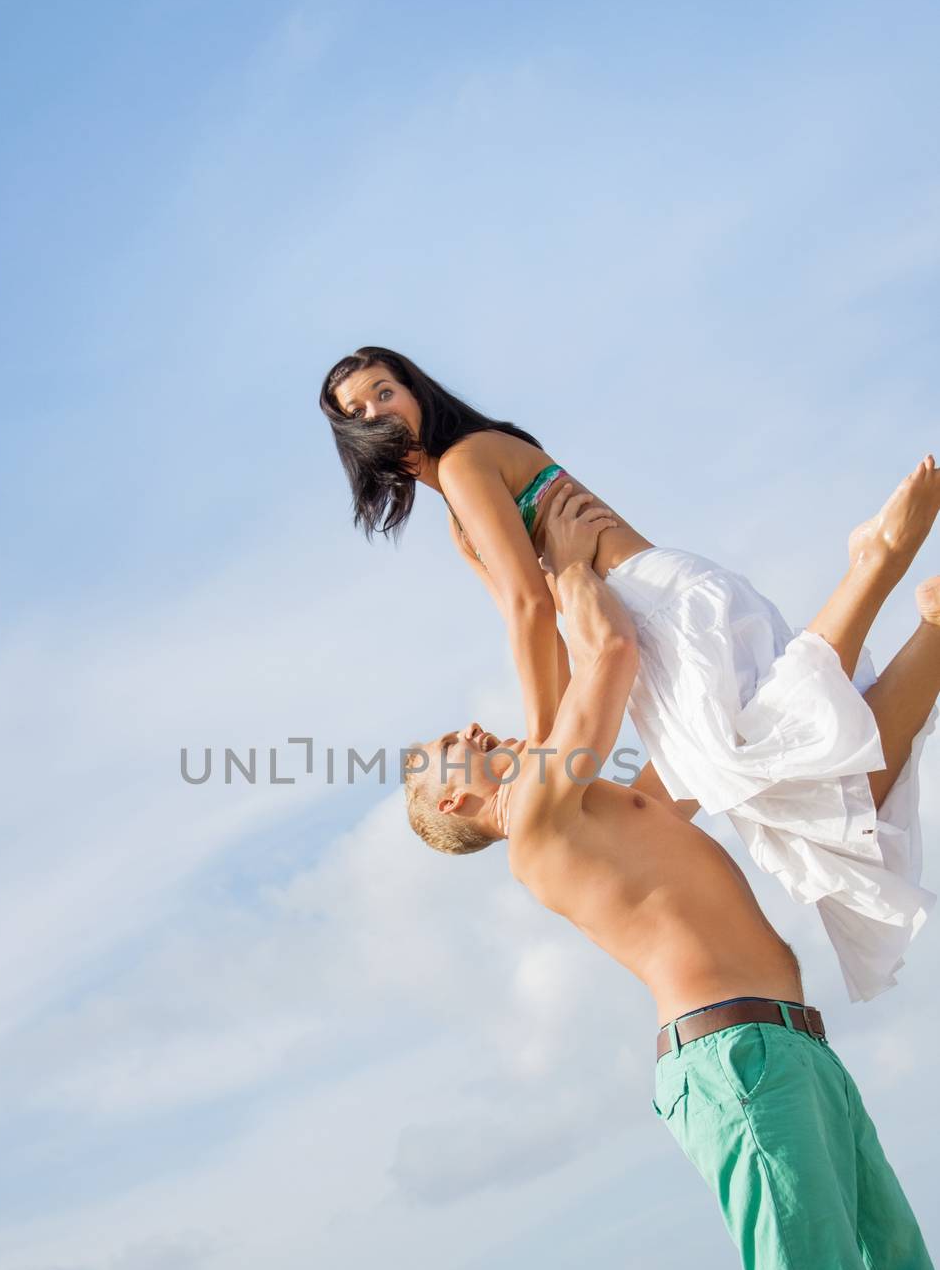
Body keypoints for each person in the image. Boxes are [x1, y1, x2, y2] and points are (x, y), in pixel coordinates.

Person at [401, 484, 940, 1270]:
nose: (465, 730)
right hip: (735, 1064)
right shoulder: (539, 828)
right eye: (443, 754)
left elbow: (746, 738)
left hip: (794, 1052)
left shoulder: (623, 803)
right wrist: (557, 558)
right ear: (458, 806)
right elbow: (598, 662)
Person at [320, 345, 940, 1000]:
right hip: (648, 605)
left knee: (771, 747)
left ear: (414, 391)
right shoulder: (458, 508)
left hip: (651, 603)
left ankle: (873, 563)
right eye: (357, 409)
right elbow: (540, 623)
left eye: (384, 392)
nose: (376, 412)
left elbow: (532, 610)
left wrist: (542, 743)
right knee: (809, 778)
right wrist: (552, 732)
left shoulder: (466, 462)